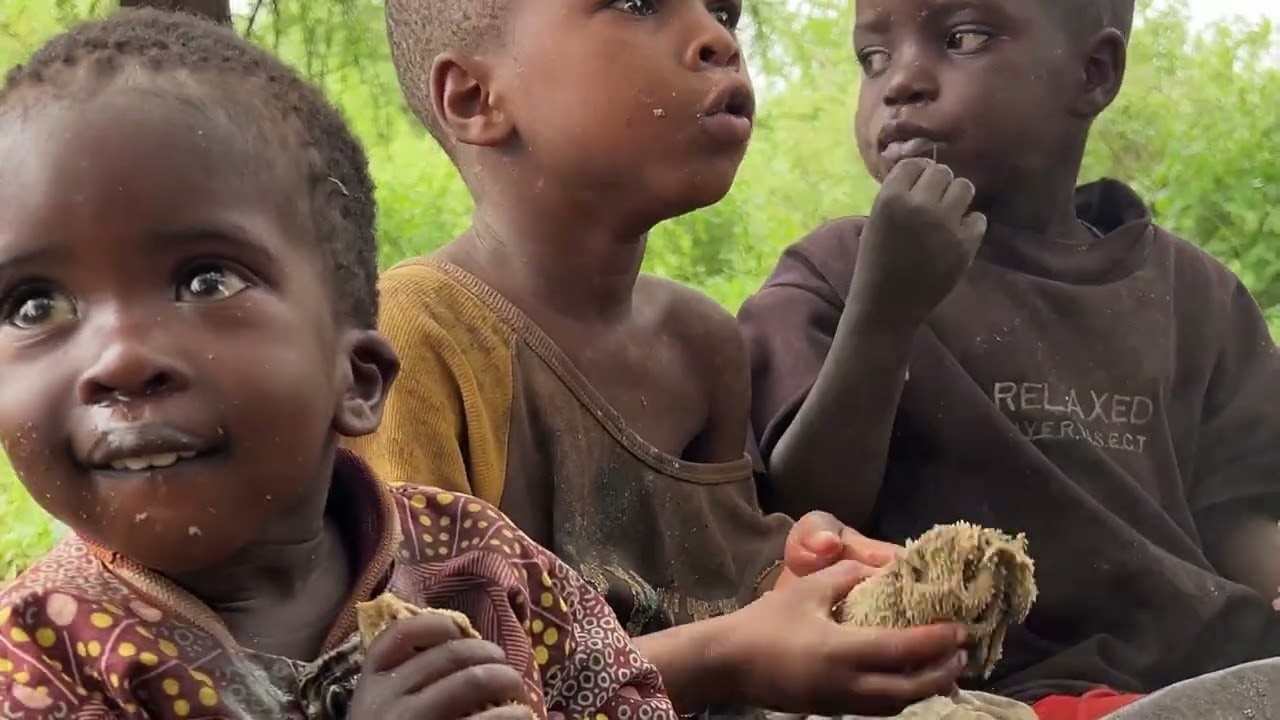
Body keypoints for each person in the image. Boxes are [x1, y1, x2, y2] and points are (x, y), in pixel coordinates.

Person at [0, 10, 679, 719]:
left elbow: (629, 702)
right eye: (33, 305)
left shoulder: (479, 565)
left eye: (207, 282)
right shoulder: (40, 664)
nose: (121, 360)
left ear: (354, 380)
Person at [346, 0, 971, 716]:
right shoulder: (417, 333)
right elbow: (421, 682)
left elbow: (720, 583)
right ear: (475, 99)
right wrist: (731, 658)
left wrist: (807, 572)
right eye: (640, 4)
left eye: (725, 13)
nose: (716, 40)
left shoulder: (701, 342)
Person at [738, 0, 1280, 718]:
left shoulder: (1199, 298)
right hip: (965, 690)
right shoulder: (837, 271)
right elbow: (802, 510)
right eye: (873, 59)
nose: (900, 83)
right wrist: (885, 313)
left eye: (962, 38)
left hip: (1199, 679)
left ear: (1094, 73)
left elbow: (1241, 522)